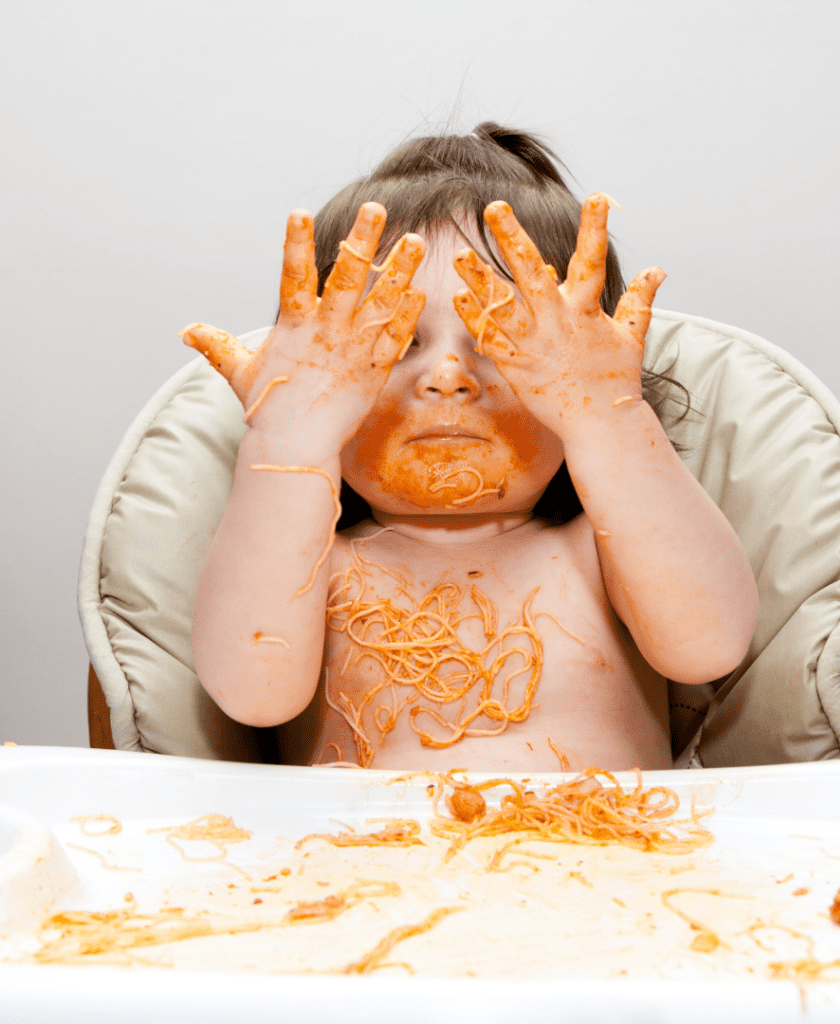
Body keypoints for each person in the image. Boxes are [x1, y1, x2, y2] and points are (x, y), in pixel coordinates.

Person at [180, 123, 758, 773]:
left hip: (607, 864)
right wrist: (287, 439)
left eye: (499, 341)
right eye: (395, 345)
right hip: (362, 867)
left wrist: (610, 420)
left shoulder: (600, 555)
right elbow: (249, 694)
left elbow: (710, 647)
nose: (447, 376)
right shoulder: (315, 570)